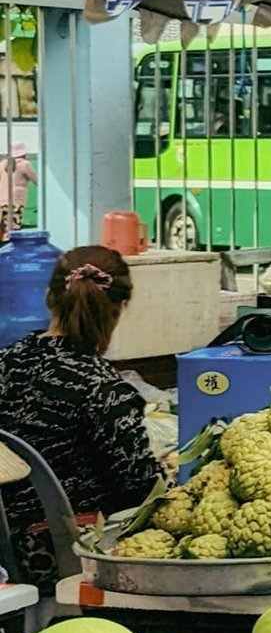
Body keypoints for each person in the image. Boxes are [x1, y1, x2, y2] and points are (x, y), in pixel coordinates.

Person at [0, 247, 161, 593]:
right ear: (119, 310)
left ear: (48, 298)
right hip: (54, 553)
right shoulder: (103, 388)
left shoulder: (4, 363)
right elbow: (141, 491)